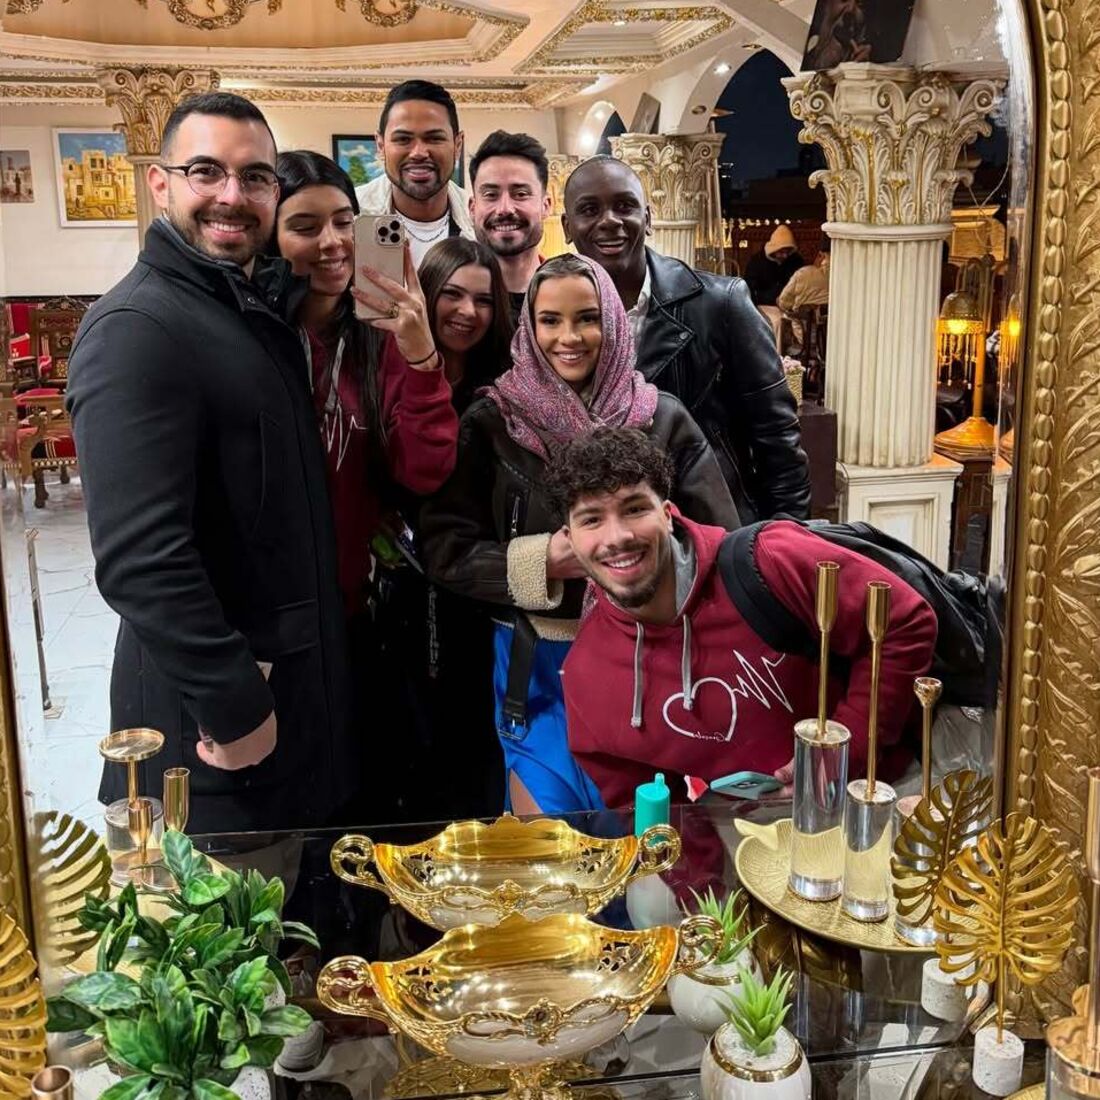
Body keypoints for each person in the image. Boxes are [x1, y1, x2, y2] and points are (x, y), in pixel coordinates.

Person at [66, 93, 351, 833]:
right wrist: (236, 706)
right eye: (206, 171)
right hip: (207, 742)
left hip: (287, 706)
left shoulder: (240, 308)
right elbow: (141, 559)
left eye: (254, 177)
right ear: (160, 183)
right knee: (229, 905)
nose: (232, 195)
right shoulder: (138, 327)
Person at [421, 253, 738, 817]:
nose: (569, 337)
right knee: (549, 844)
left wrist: (635, 555)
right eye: (550, 320)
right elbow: (446, 551)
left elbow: (719, 544)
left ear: (612, 319)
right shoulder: (493, 422)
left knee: (644, 839)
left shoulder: (662, 419)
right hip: (537, 666)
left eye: (587, 318)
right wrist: (542, 560)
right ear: (529, 325)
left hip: (652, 660)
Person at [550, 428, 937, 811]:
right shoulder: (589, 674)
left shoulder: (769, 562)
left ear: (667, 515)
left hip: (882, 794)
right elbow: (647, 811)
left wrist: (841, 756)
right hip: (750, 835)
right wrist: (709, 853)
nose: (617, 537)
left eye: (635, 509)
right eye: (592, 520)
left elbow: (905, 621)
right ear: (569, 539)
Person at [271, 151, 460, 822]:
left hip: (358, 613)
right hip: (273, 621)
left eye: (345, 222)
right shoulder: (256, 337)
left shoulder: (379, 339)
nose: (332, 242)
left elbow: (423, 468)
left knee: (356, 793)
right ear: (269, 236)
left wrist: (420, 350)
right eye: (305, 226)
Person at [562, 156, 811, 522]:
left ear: (648, 218)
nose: (610, 220)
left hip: (709, 527)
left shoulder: (720, 303)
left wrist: (787, 538)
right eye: (589, 209)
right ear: (567, 227)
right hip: (607, 533)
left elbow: (778, 439)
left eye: (625, 206)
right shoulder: (554, 320)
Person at [371, 236, 515, 820]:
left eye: (483, 300)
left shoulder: (503, 381)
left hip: (479, 585)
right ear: (425, 295)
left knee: (475, 731)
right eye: (452, 295)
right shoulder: (386, 365)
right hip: (403, 585)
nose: (467, 312)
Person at [356, 79, 474, 267]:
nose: (418, 153)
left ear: (457, 145)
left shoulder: (477, 220)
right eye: (403, 139)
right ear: (381, 146)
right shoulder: (353, 215)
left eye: (434, 138)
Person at [467, 130, 551, 324]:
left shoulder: (572, 296)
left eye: (520, 194)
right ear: (472, 208)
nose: (504, 209)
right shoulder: (450, 303)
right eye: (491, 195)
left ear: (546, 205)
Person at [743, 224, 805, 307]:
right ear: (773, 249)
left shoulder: (796, 260)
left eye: (787, 252)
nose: (785, 256)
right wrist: (770, 298)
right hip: (763, 306)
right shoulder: (757, 262)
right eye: (781, 252)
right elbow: (749, 291)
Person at [777, 239, 829, 315]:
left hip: (802, 321)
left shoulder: (802, 273)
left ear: (821, 255)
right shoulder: (842, 275)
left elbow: (784, 302)